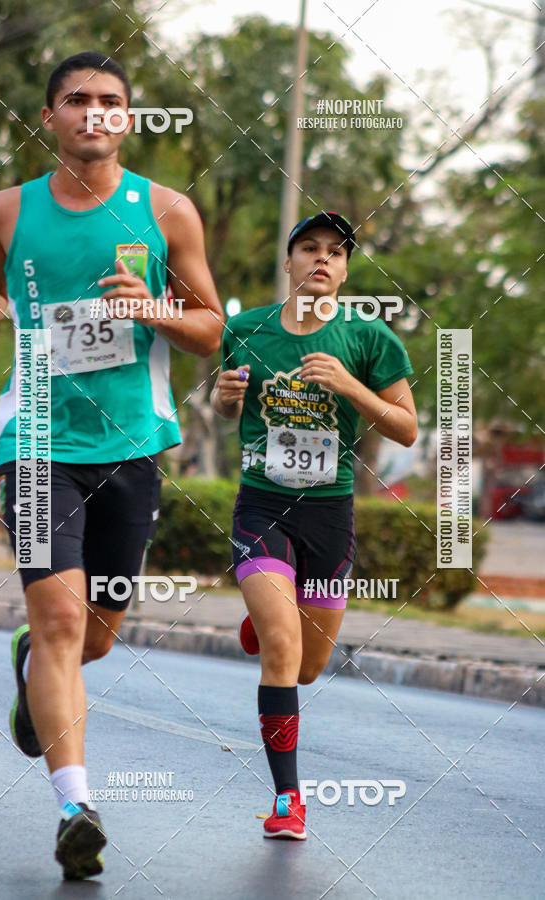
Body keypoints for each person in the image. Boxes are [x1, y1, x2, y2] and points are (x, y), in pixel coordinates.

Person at [0, 51, 223, 879]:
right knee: (67, 623)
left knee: (93, 637)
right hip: (35, 440)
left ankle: (33, 661)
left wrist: (155, 308)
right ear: (51, 118)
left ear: (128, 119)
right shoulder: (7, 209)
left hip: (132, 444)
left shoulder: (168, 212)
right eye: (77, 101)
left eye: (109, 101)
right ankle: (76, 806)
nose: (93, 113)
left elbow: (212, 327)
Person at [211, 212, 417, 839]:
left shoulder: (370, 338)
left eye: (334, 252)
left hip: (330, 512)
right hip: (262, 505)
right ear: (290, 261)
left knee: (305, 667)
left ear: (346, 268)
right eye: (309, 249)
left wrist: (351, 386)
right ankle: (287, 801)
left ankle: (268, 615)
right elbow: (224, 408)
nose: (321, 260)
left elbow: (406, 426)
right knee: (281, 650)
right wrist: (223, 399)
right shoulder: (245, 330)